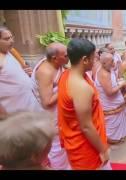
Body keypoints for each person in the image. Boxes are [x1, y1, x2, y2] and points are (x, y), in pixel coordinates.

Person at [57, 38, 110, 170]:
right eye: (94, 57)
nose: (95, 61)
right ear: (85, 59)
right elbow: (86, 126)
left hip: (79, 140)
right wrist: (103, 150)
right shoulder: (81, 87)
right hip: (86, 147)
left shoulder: (66, 74)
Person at [31, 42, 70, 170]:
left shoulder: (57, 65)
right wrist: (66, 86)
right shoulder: (45, 72)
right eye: (66, 55)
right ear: (54, 58)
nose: (68, 57)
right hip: (50, 116)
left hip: (59, 113)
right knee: (57, 146)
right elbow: (47, 102)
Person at [0, 26, 42, 113]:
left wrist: (25, 73)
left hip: (30, 107)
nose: (11, 41)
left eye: (12, 37)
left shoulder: (11, 52)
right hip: (13, 114)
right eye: (7, 39)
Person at [95, 52, 126, 144]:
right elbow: (109, 92)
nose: (113, 62)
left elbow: (114, 80)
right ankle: (113, 138)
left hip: (117, 102)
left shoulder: (108, 69)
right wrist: (122, 84)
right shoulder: (104, 74)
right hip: (109, 104)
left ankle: (121, 136)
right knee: (112, 122)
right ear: (103, 63)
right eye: (111, 61)